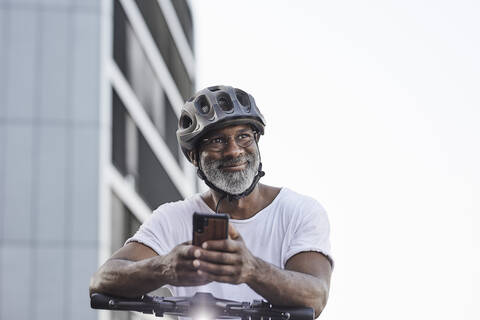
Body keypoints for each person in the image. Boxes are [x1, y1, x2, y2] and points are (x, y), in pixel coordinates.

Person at [89, 85, 333, 317]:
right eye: (217, 141)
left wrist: (253, 271)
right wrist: (165, 267)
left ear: (257, 141)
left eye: (244, 136)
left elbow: (315, 295)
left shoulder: (300, 211)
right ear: (194, 156)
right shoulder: (172, 217)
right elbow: (102, 279)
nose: (234, 150)